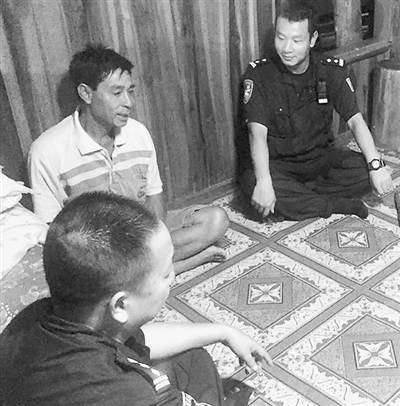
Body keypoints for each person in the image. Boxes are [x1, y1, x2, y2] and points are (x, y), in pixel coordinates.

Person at [0, 192, 273, 406]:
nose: (173, 277)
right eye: (165, 274)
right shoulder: (129, 395)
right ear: (120, 305)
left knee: (191, 358)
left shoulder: (37, 317)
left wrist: (223, 332)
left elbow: (133, 340)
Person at [28, 44, 229, 275]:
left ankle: (148, 270)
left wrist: (156, 240)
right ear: (86, 93)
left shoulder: (137, 133)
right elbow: (52, 234)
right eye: (116, 93)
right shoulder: (47, 151)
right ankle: (178, 264)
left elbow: (154, 197)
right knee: (92, 270)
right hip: (97, 252)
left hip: (141, 232)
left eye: (130, 91)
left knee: (216, 220)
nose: (128, 103)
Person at [239, 0, 393, 221]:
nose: (287, 48)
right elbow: (257, 134)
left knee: (364, 170)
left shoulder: (330, 70)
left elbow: (355, 121)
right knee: (251, 182)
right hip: (278, 165)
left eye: (296, 40)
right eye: (280, 38)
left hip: (320, 159)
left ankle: (301, 201)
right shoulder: (259, 75)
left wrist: (375, 165)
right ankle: (331, 204)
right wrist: (264, 182)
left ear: (312, 40)